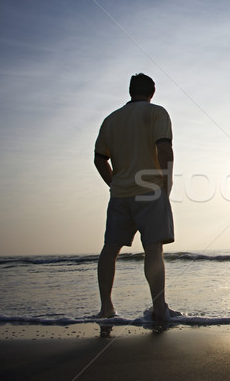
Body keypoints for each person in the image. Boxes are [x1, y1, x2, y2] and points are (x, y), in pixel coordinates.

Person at [94, 73, 176, 322]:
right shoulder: (156, 113)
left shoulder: (111, 119)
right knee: (153, 248)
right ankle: (159, 308)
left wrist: (114, 182)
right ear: (152, 92)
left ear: (131, 91)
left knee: (110, 249)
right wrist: (165, 181)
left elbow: (99, 159)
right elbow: (164, 148)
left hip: (120, 194)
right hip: (150, 189)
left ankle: (106, 307)